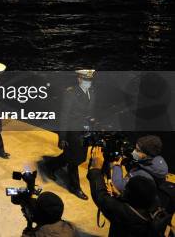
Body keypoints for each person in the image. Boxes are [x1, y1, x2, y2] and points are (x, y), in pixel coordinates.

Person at [40, 69, 97, 200]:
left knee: (73, 156)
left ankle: (50, 166)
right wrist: (62, 137)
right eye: (86, 80)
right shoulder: (70, 93)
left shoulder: (92, 92)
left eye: (90, 80)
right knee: (74, 160)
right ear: (79, 79)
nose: (88, 82)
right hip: (73, 132)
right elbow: (64, 117)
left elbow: (90, 111)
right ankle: (75, 187)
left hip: (85, 130)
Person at [87, 147, 170, 237]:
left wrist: (95, 169)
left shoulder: (126, 215)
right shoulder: (155, 203)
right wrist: (120, 195)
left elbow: (100, 196)